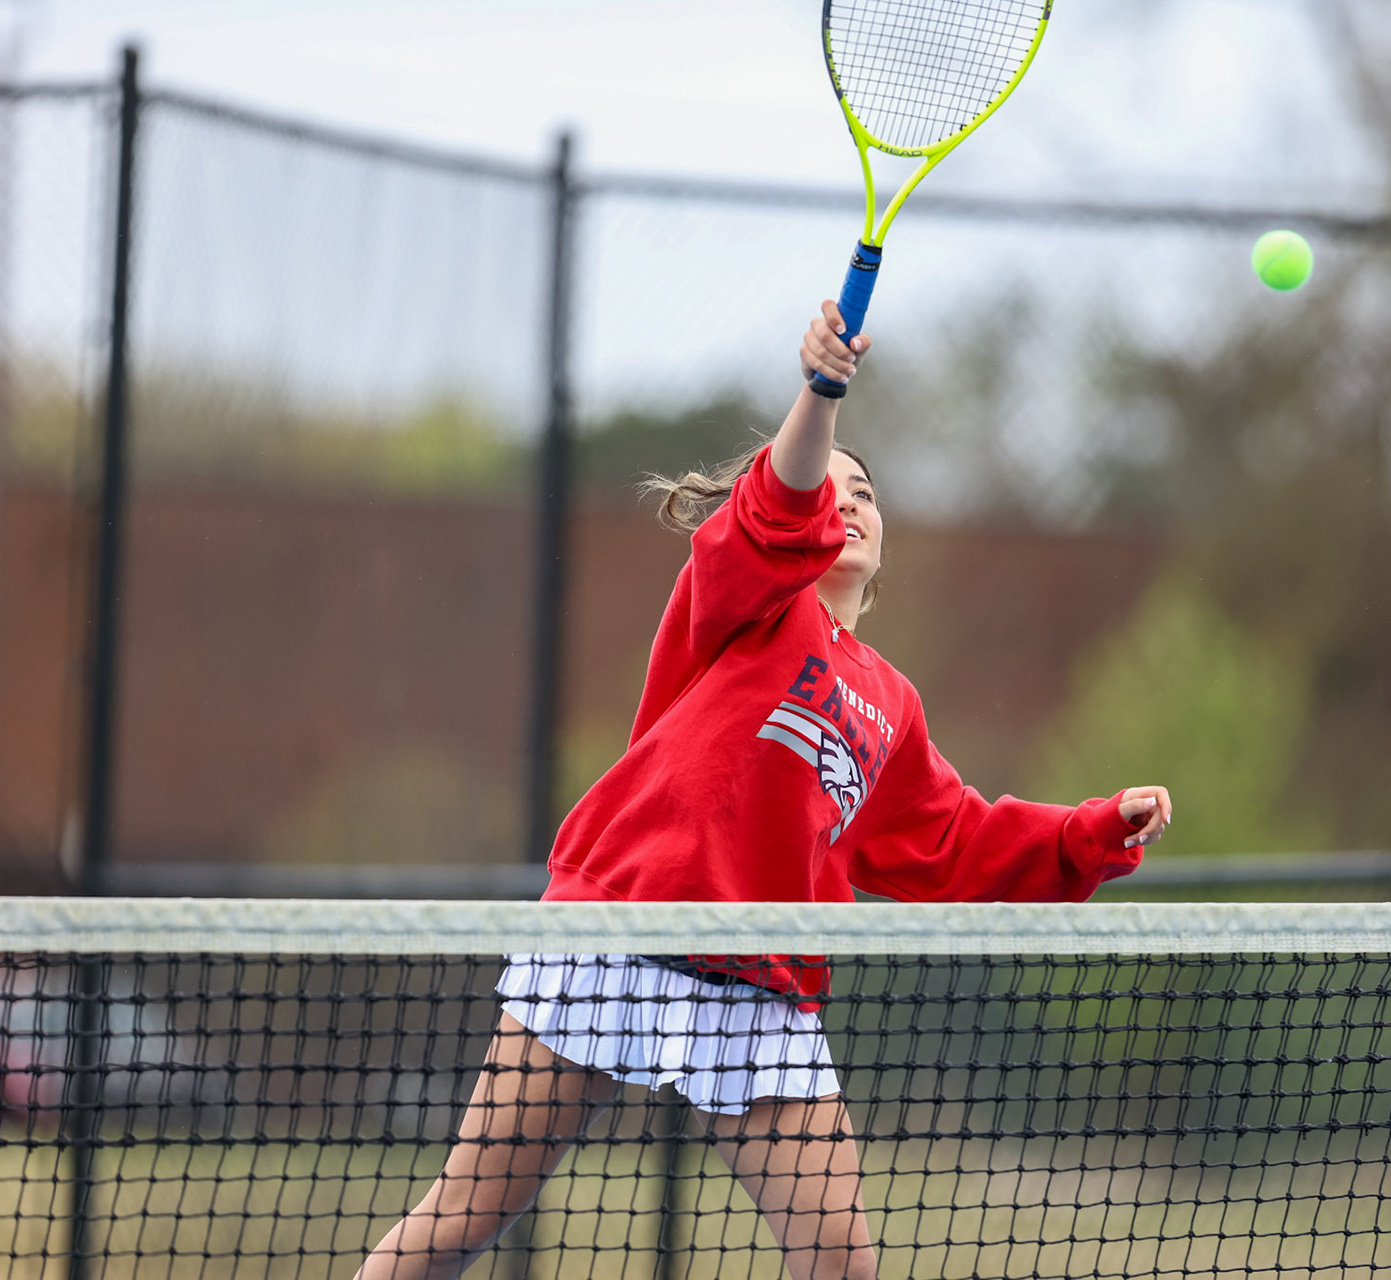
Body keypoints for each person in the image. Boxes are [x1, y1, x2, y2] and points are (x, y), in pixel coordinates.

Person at [357, 302, 1173, 1280]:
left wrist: (1090, 831)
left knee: (843, 1266)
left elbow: (954, 839)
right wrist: (820, 392)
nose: (852, 503)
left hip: (761, 990)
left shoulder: (890, 703)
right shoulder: (743, 597)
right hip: (616, 937)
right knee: (460, 1220)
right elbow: (775, 509)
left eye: (868, 493)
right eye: (833, 488)